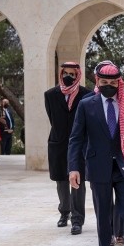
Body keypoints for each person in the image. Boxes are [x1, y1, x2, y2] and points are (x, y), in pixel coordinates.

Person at [68, 60, 124, 246]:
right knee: (103, 215)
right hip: (98, 167)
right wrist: (74, 167)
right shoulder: (86, 104)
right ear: (97, 81)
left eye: (113, 81)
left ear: (119, 81)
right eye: (104, 81)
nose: (108, 85)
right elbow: (76, 138)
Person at [44, 61, 91, 235]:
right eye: (66, 73)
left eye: (72, 74)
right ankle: (64, 212)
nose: (69, 77)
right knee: (61, 181)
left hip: (79, 144)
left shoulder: (86, 95)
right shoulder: (50, 95)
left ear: (78, 74)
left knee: (78, 182)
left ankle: (77, 219)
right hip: (58, 143)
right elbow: (52, 118)